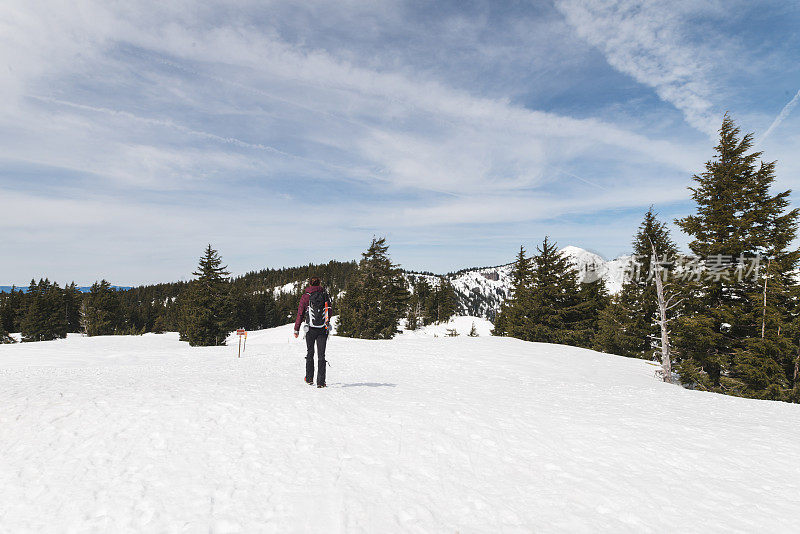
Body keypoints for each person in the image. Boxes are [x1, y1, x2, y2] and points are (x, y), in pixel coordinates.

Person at [294, 277, 331, 388]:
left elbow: (300, 314)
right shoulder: (325, 295)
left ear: (310, 284)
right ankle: (321, 382)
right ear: (319, 284)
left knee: (310, 353)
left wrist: (296, 329)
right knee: (321, 355)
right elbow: (330, 311)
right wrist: (326, 323)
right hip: (322, 329)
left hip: (310, 329)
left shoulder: (306, 296)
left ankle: (309, 378)